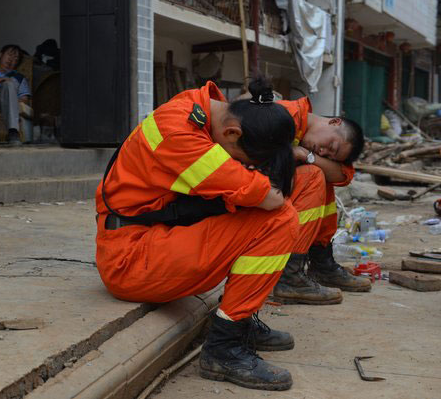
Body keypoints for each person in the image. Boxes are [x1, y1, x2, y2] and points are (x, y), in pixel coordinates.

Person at [95, 77, 337, 391]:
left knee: (304, 183)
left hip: (157, 237)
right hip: (131, 260)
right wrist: (260, 180)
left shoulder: (203, 111)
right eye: (243, 160)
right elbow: (266, 195)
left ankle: (240, 318)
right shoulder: (179, 132)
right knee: (279, 219)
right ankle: (223, 348)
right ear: (233, 132)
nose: (240, 164)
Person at [272, 97, 368, 305]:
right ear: (334, 122)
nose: (323, 151)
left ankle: (321, 263)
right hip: (247, 199)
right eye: (331, 145)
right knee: (315, 176)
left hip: (271, 197)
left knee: (321, 176)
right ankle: (289, 276)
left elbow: (343, 175)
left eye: (330, 154)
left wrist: (308, 156)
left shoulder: (310, 146)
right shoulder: (285, 115)